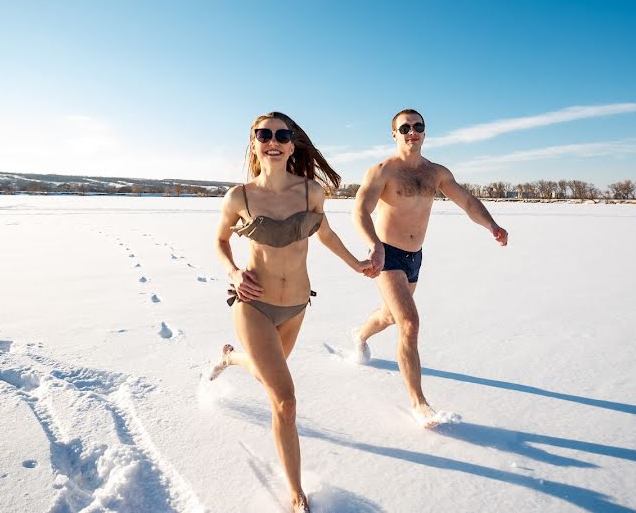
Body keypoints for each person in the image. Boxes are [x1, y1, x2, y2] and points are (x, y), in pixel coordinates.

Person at [209, 112, 370, 513]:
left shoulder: (310, 192)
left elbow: (326, 234)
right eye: (264, 134)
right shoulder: (239, 197)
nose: (274, 140)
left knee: (267, 373)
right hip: (254, 304)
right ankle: (296, 493)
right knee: (285, 400)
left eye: (283, 134)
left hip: (297, 305)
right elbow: (220, 240)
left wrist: (356, 264)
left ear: (293, 144)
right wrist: (232, 272)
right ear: (254, 143)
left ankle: (230, 357)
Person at [351, 109, 508, 428]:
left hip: (414, 256)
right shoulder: (383, 171)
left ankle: (359, 335)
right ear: (394, 134)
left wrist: (491, 225)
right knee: (409, 322)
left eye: (417, 126)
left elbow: (467, 202)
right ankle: (418, 404)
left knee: (390, 316)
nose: (412, 131)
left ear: (424, 132)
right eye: (404, 127)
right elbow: (360, 210)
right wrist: (374, 244)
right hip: (387, 255)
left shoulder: (435, 173)